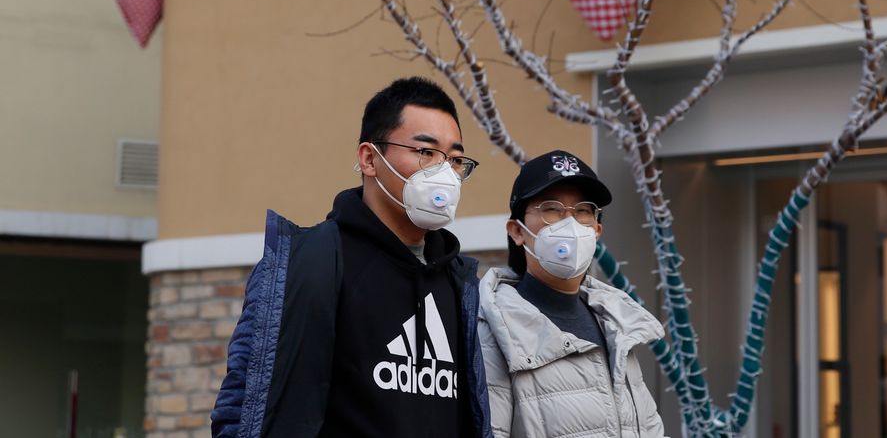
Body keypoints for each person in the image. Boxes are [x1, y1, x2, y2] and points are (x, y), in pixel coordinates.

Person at [211, 77, 493, 438]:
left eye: (455, 159)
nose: (445, 174)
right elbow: (242, 408)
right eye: (425, 152)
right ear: (369, 159)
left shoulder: (459, 281)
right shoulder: (308, 263)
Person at [479, 150, 666, 438]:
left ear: (597, 230)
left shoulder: (617, 325)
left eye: (582, 211)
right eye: (552, 209)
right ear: (517, 231)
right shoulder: (495, 330)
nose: (570, 224)